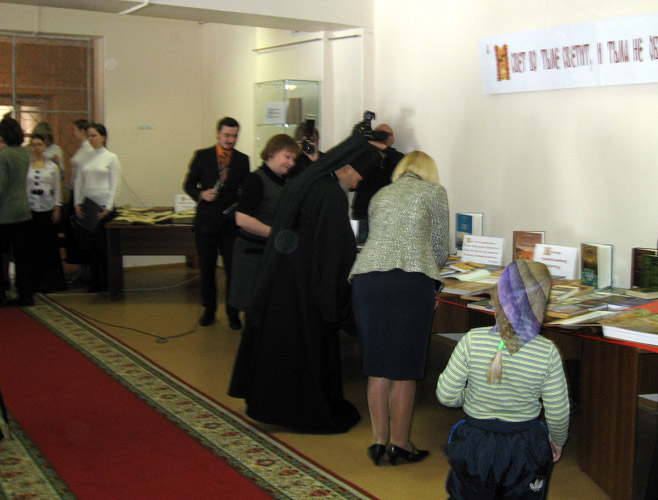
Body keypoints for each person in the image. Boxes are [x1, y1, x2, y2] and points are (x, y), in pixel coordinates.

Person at [228, 131, 379, 433]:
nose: (358, 182)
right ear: (347, 167)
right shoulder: (330, 194)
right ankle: (303, 411)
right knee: (303, 351)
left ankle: (271, 406)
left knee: (283, 349)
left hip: (285, 279)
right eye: (359, 175)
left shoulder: (307, 182)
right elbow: (335, 251)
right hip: (307, 285)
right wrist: (338, 296)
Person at [437, 259, 570, 500]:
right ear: (542, 302)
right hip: (525, 447)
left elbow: (446, 395)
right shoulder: (547, 352)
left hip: (475, 444)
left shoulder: (472, 340)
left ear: (499, 296)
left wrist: (470, 396)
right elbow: (558, 412)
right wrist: (558, 441)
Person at [349, 150, 449, 465]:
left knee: (377, 365)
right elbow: (439, 248)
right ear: (428, 171)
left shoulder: (381, 194)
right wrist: (433, 276)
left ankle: (378, 442)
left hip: (367, 280)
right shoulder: (434, 192)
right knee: (404, 368)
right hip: (409, 281)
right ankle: (401, 445)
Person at [183, 117, 250, 328]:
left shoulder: (242, 159)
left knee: (233, 269)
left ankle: (233, 312)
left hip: (230, 223)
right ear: (217, 134)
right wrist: (201, 194)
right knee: (207, 268)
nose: (230, 140)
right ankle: (209, 309)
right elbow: (188, 184)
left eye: (234, 136)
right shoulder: (202, 156)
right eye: (227, 135)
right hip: (206, 221)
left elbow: (245, 189)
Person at [228, 134, 299, 315]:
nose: (291, 163)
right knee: (252, 305)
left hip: (270, 251)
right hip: (252, 253)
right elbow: (242, 219)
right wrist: (275, 233)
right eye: (287, 157)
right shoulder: (256, 180)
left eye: (293, 159)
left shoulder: (285, 181)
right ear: (272, 152)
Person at [73, 123, 121, 293]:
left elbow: (115, 184)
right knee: (90, 247)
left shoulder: (111, 157)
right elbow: (79, 182)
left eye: (94, 135)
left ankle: (107, 282)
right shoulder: (85, 157)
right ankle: (95, 281)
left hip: (103, 207)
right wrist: (77, 203)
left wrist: (108, 206)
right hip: (88, 205)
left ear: (103, 137)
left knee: (103, 248)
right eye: (89, 136)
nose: (91, 139)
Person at [350, 124, 404, 244]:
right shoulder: (363, 157)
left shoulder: (397, 158)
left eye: (389, 135)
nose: (386, 137)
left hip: (387, 217)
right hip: (363, 214)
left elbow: (406, 164)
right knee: (359, 248)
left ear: (394, 139)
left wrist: (385, 149)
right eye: (382, 133)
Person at [26, 133, 66, 292]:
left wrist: (57, 207)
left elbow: (57, 189)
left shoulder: (52, 166)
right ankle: (33, 281)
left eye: (39, 144)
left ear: (44, 146)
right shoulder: (26, 165)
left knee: (49, 246)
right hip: (31, 209)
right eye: (33, 145)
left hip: (47, 208)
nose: (37, 148)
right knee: (32, 246)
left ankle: (51, 282)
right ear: (30, 147)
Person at [0, 115, 33, 306]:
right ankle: (26, 294)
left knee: (2, 254)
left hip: (4, 212)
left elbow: (1, 186)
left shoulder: (3, 155)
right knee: (23, 256)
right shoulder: (25, 153)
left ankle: (2, 292)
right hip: (23, 210)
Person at [64, 119, 93, 283]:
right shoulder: (82, 148)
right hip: (74, 191)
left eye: (74, 130)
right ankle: (81, 271)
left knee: (82, 235)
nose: (72, 133)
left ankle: (87, 272)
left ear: (82, 131)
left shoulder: (88, 149)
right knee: (74, 235)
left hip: (81, 194)